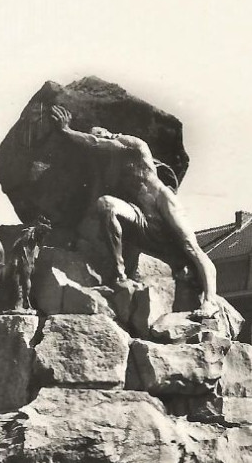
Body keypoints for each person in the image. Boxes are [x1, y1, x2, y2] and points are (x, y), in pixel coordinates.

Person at [51, 105, 218, 315]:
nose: (98, 139)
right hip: (139, 215)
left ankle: (210, 301)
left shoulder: (133, 144)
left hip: (160, 204)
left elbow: (95, 143)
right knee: (106, 204)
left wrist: (66, 131)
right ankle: (119, 275)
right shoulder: (111, 172)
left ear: (109, 133)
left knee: (190, 247)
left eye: (100, 134)